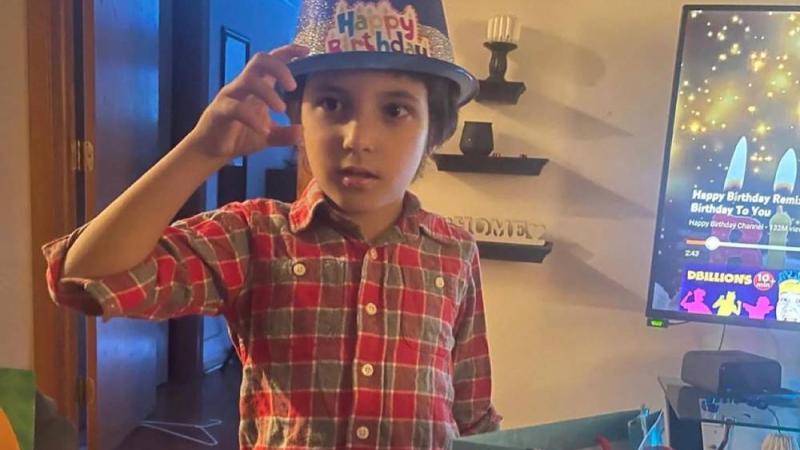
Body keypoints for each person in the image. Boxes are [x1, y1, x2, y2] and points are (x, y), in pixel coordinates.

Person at [42, 0, 502, 448]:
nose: (358, 139)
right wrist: (201, 150)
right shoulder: (254, 235)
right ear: (297, 114)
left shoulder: (453, 251)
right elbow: (86, 274)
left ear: (434, 131)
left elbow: (472, 411)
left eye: (395, 110)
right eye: (332, 103)